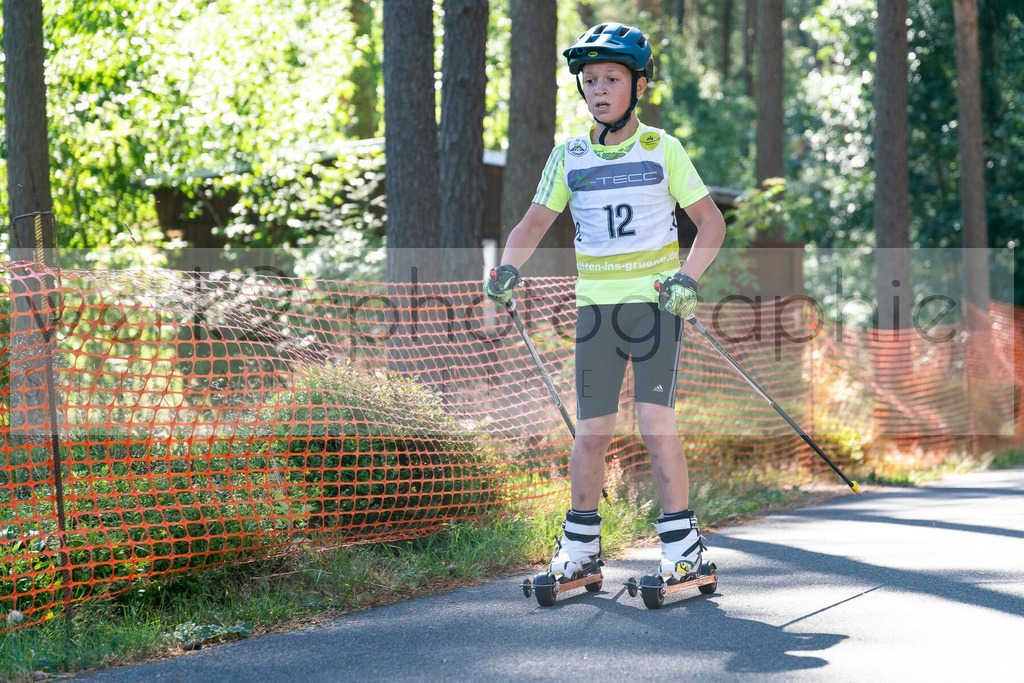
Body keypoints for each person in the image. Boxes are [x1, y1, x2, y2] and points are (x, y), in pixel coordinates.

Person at [484, 22, 726, 585]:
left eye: (612, 78)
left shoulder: (662, 149)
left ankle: (682, 548)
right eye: (590, 79)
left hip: (657, 308)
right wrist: (507, 267)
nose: (599, 89)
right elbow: (533, 222)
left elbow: (710, 224)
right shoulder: (568, 155)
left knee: (654, 424)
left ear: (638, 86)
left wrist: (689, 278)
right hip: (596, 313)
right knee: (591, 432)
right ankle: (582, 549)